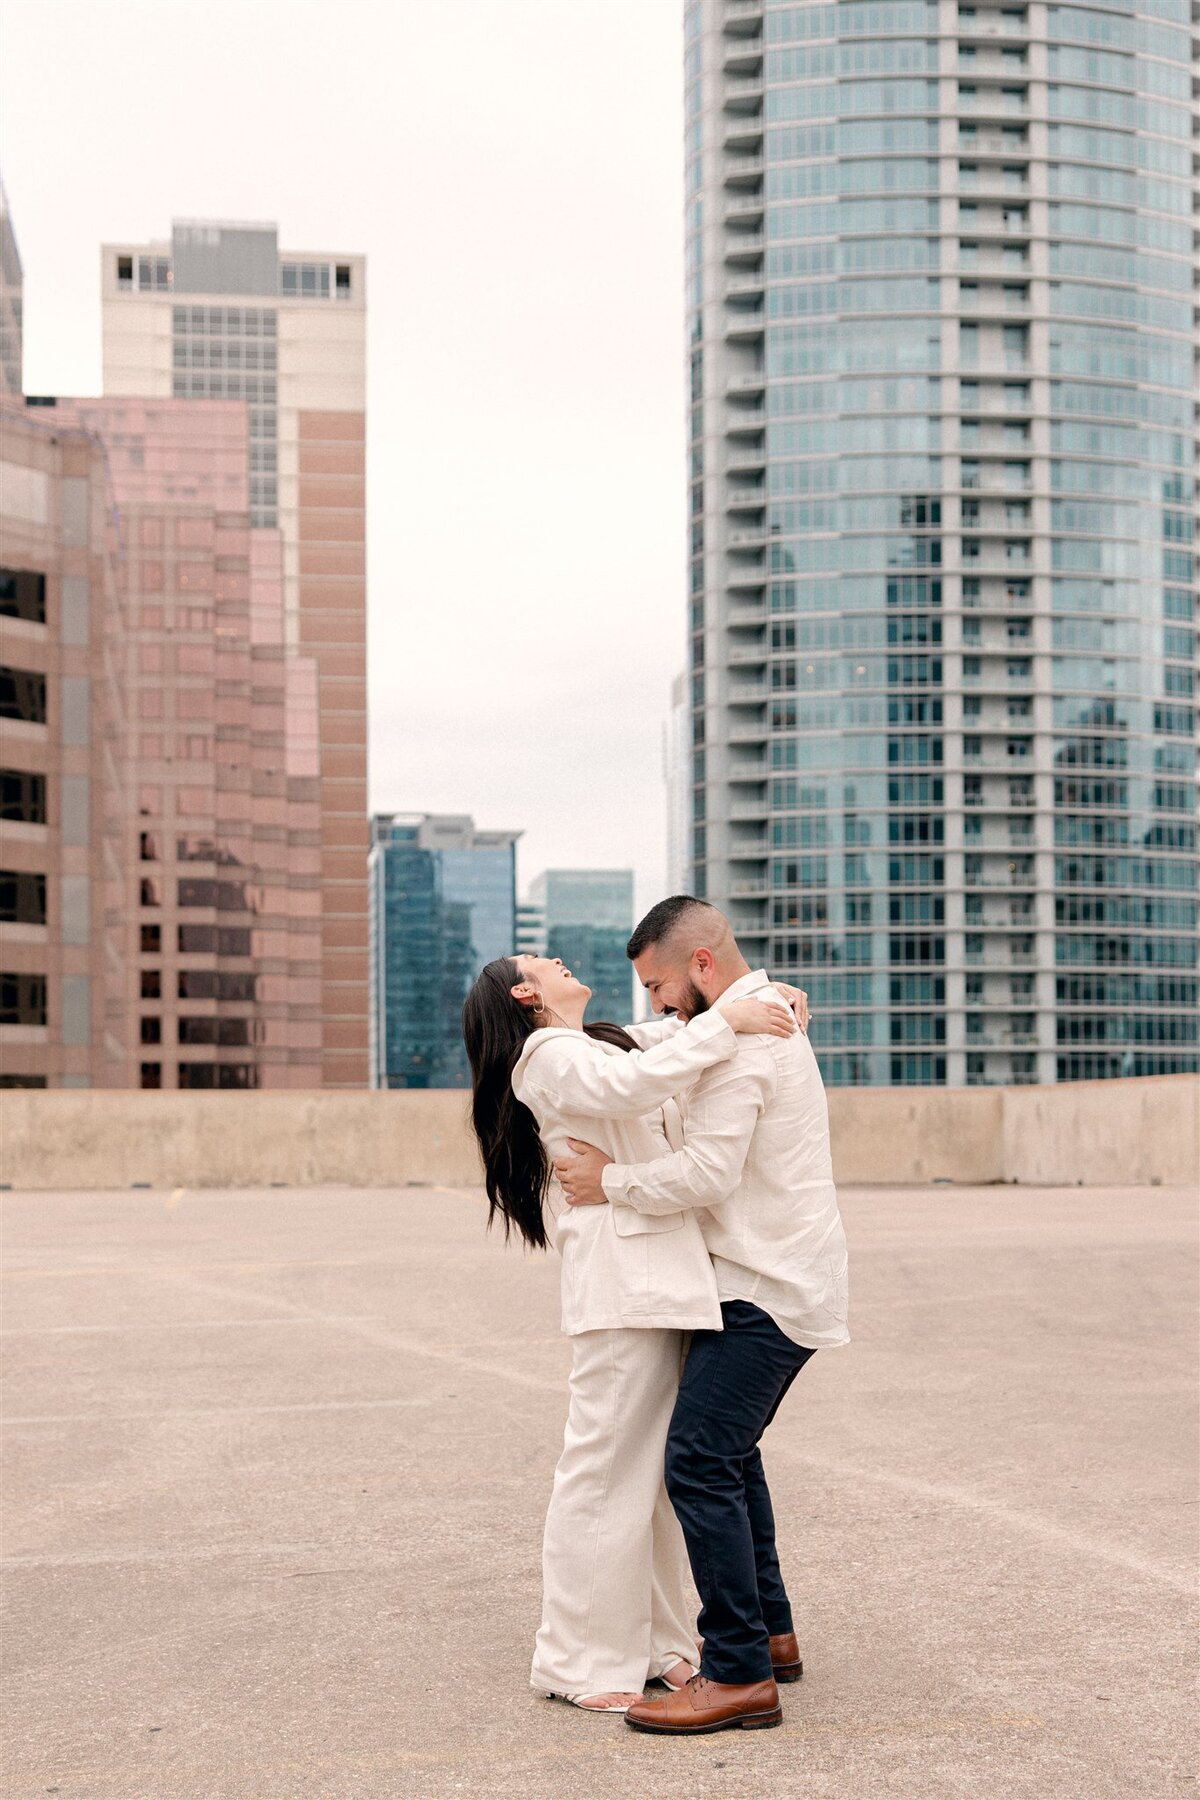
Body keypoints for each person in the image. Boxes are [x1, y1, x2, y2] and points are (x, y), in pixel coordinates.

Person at [461, 951, 801, 1712]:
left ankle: (659, 1646)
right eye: (543, 960)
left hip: (653, 1284)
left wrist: (760, 996)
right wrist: (726, 1022)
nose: (559, 959)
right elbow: (633, 1081)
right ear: (525, 993)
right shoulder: (544, 1056)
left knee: (646, 1484)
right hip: (622, 1289)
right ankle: (581, 1662)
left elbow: (654, 1045)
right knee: (604, 1476)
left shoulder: (590, 1045)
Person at [556, 895, 848, 1737]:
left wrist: (605, 1181)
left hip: (770, 1286)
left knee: (698, 1461)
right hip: (763, 1279)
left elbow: (706, 1174)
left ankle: (738, 1673)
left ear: (704, 966)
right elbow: (649, 1049)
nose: (654, 1002)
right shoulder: (742, 1022)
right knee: (733, 1456)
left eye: (658, 984)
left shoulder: (747, 1051)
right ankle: (771, 1634)